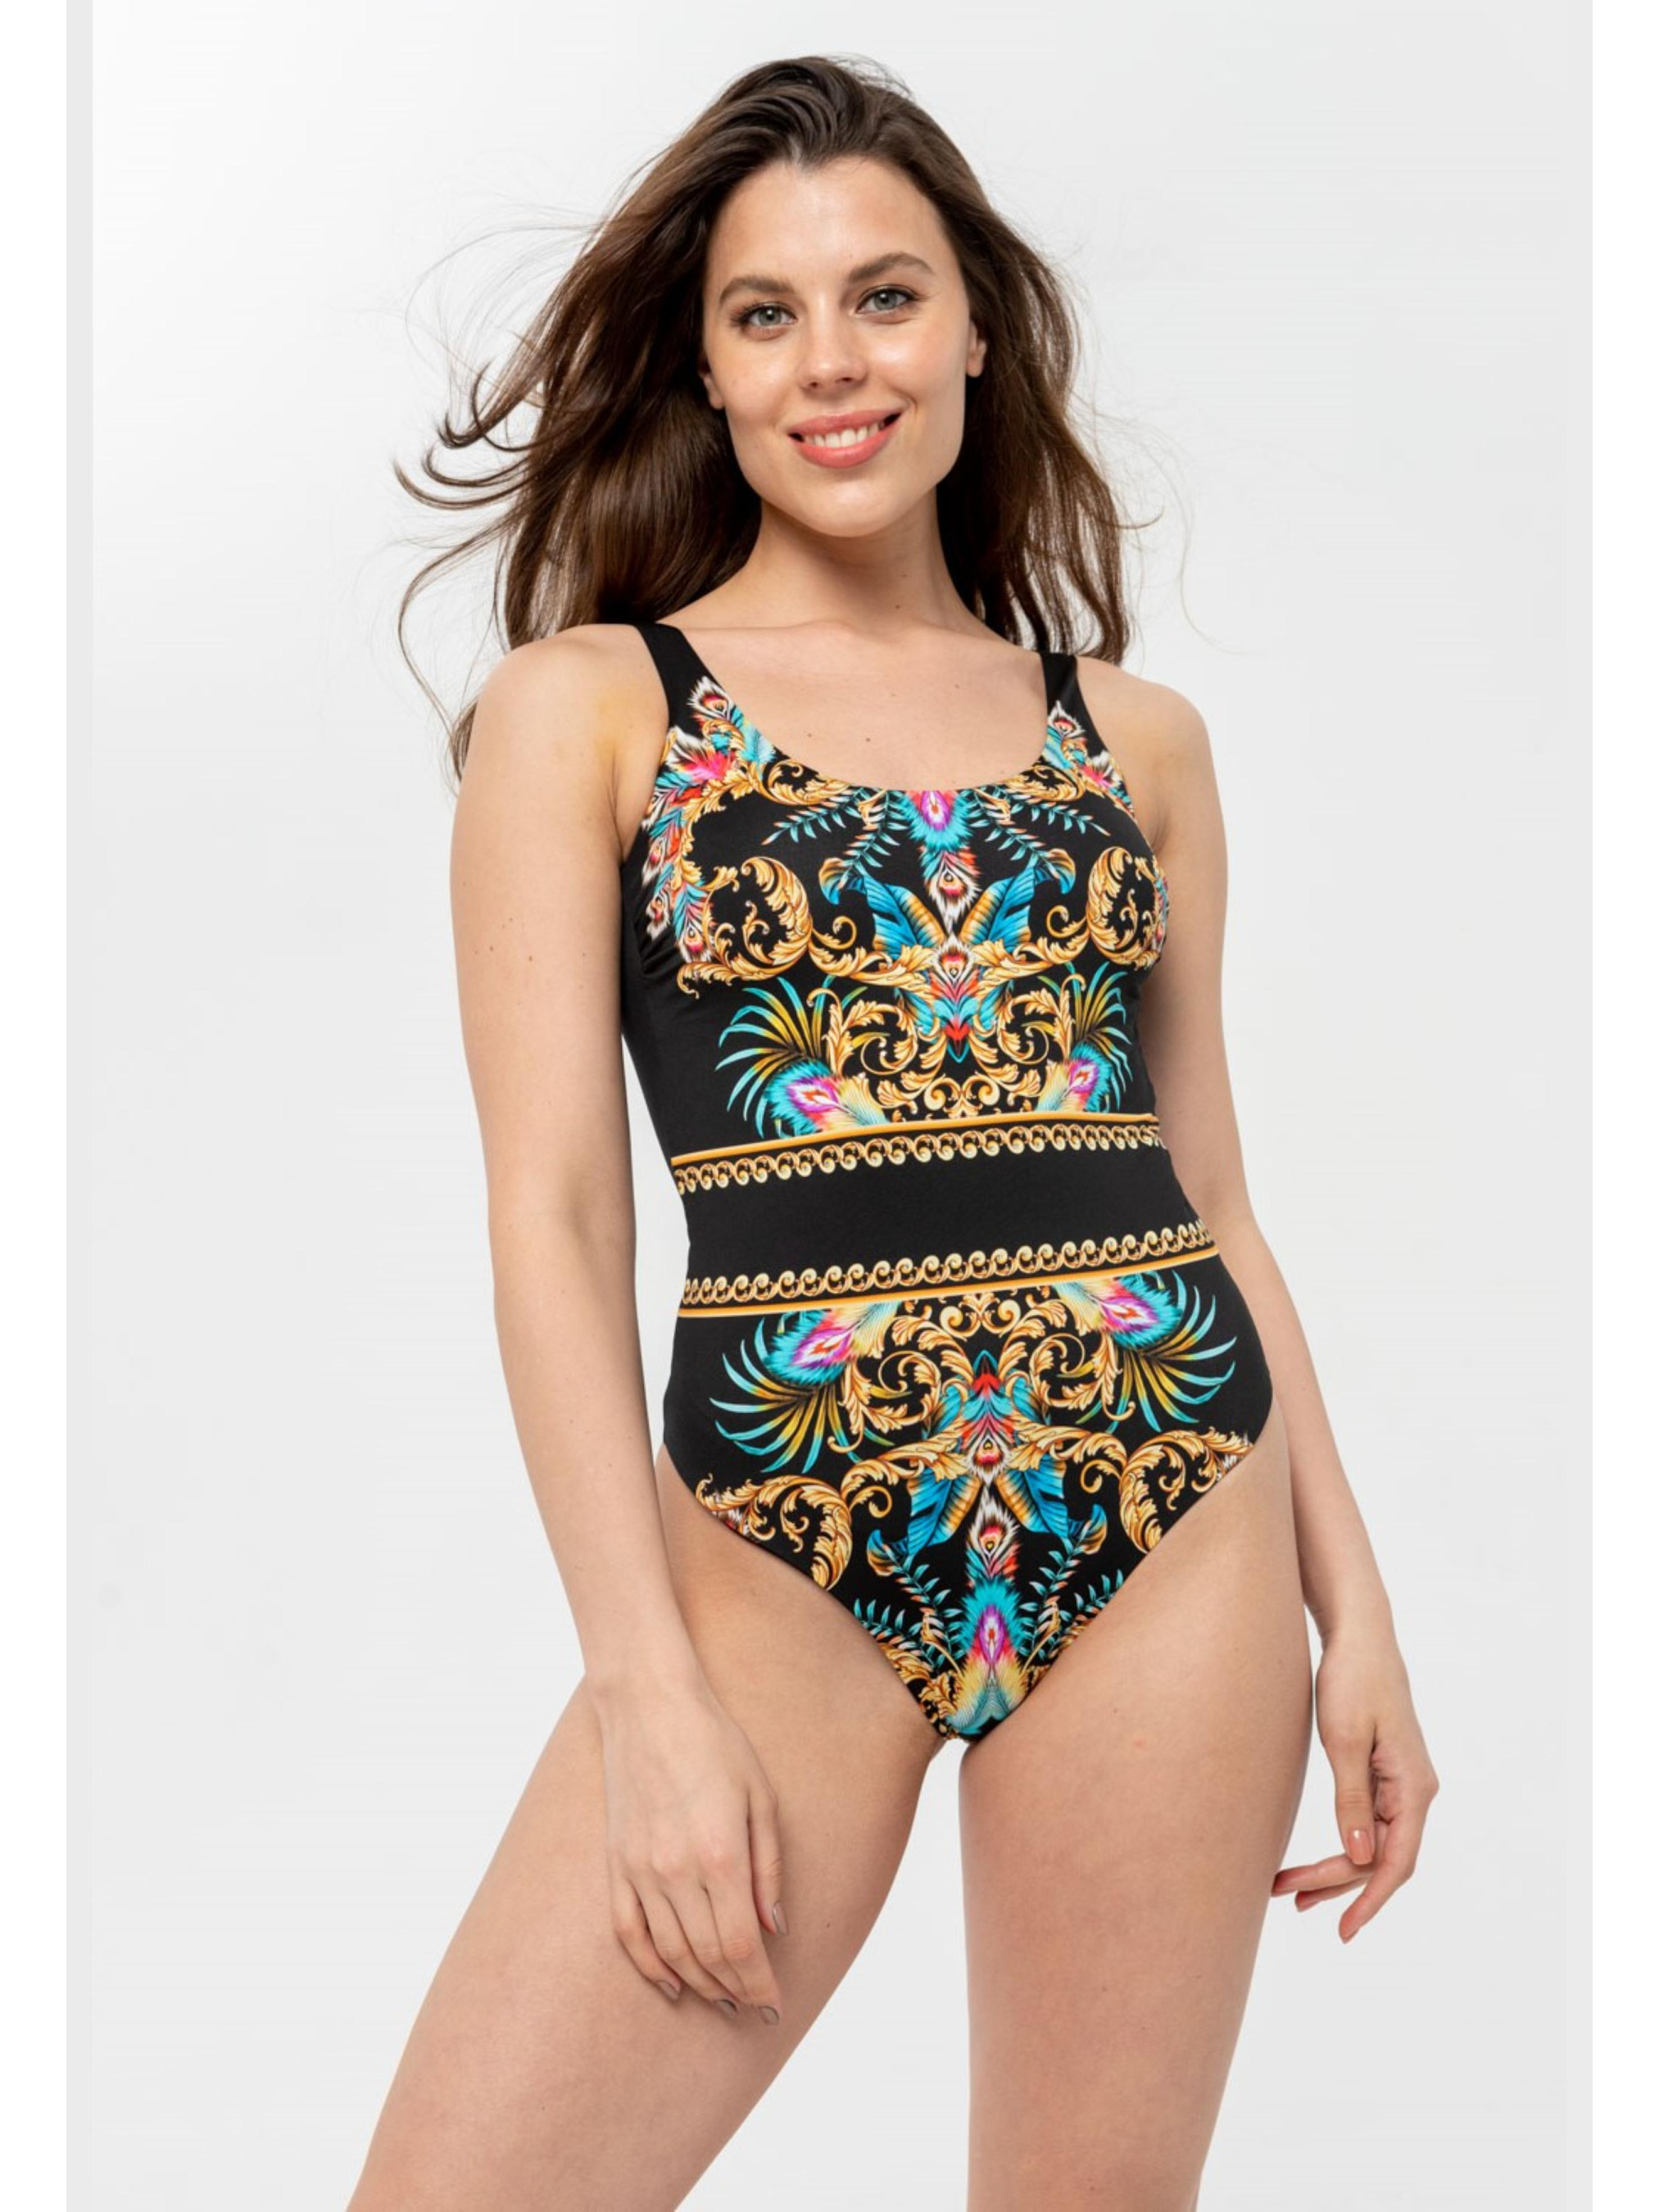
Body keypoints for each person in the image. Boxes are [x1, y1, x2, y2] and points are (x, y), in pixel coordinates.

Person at [350, 53, 1439, 2211]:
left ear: (973, 332)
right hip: (782, 1538)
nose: (830, 362)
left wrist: (1361, 1611)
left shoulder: (1133, 742)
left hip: (1171, 1518)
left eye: (883, 296)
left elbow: (1212, 1198)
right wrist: (642, 1692)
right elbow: (555, 1218)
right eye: (766, 313)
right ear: (708, 367)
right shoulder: (593, 709)